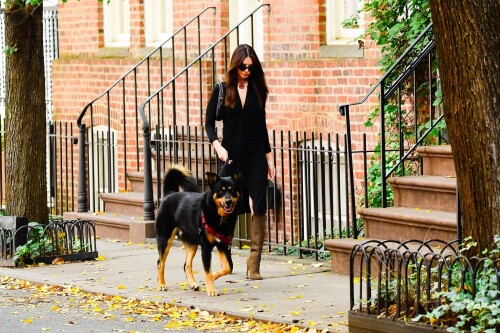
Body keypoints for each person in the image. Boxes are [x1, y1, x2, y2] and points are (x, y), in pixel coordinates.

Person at [205, 44, 276, 280]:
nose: (247, 71)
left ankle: (254, 265)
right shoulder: (223, 90)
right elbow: (209, 124)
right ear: (235, 65)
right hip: (232, 155)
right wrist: (217, 146)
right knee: (229, 206)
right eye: (243, 67)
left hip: (255, 155)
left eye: (251, 67)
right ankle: (226, 258)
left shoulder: (258, 90)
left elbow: (261, 127)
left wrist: (269, 159)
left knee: (259, 204)